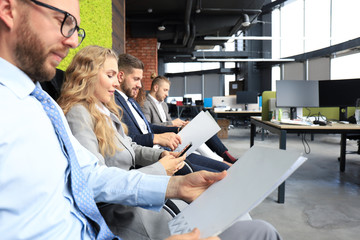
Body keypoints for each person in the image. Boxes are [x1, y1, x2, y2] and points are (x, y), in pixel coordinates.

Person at [0, 1, 261, 239]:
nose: (71, 41)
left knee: (256, 228)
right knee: (256, 232)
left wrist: (175, 185)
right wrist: (163, 172)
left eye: (75, 29)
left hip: (116, 218)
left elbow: (88, 176)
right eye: (63, 21)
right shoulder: (60, 110)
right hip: (122, 216)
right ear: (8, 9)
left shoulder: (41, 104)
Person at [58, 45, 191, 239]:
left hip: (133, 196)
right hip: (119, 211)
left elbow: (130, 147)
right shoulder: (78, 114)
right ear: (88, 75)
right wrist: (159, 169)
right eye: (110, 75)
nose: (116, 83)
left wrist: (160, 155)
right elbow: (95, 181)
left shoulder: (104, 109)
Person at [115, 54, 230, 173]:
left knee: (224, 168)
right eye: (136, 79)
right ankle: (223, 159)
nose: (140, 85)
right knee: (220, 174)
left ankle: (224, 157)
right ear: (121, 76)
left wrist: (177, 129)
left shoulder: (131, 101)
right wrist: (156, 137)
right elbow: (127, 141)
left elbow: (148, 127)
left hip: (163, 149)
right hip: (154, 156)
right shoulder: (115, 102)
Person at [142, 75, 237, 163]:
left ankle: (224, 154)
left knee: (202, 126)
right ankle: (223, 161)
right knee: (197, 137)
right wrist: (172, 123)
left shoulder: (163, 104)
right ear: (156, 88)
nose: (167, 94)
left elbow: (169, 123)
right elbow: (148, 128)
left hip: (173, 133)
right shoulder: (145, 104)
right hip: (164, 140)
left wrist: (181, 124)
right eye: (165, 90)